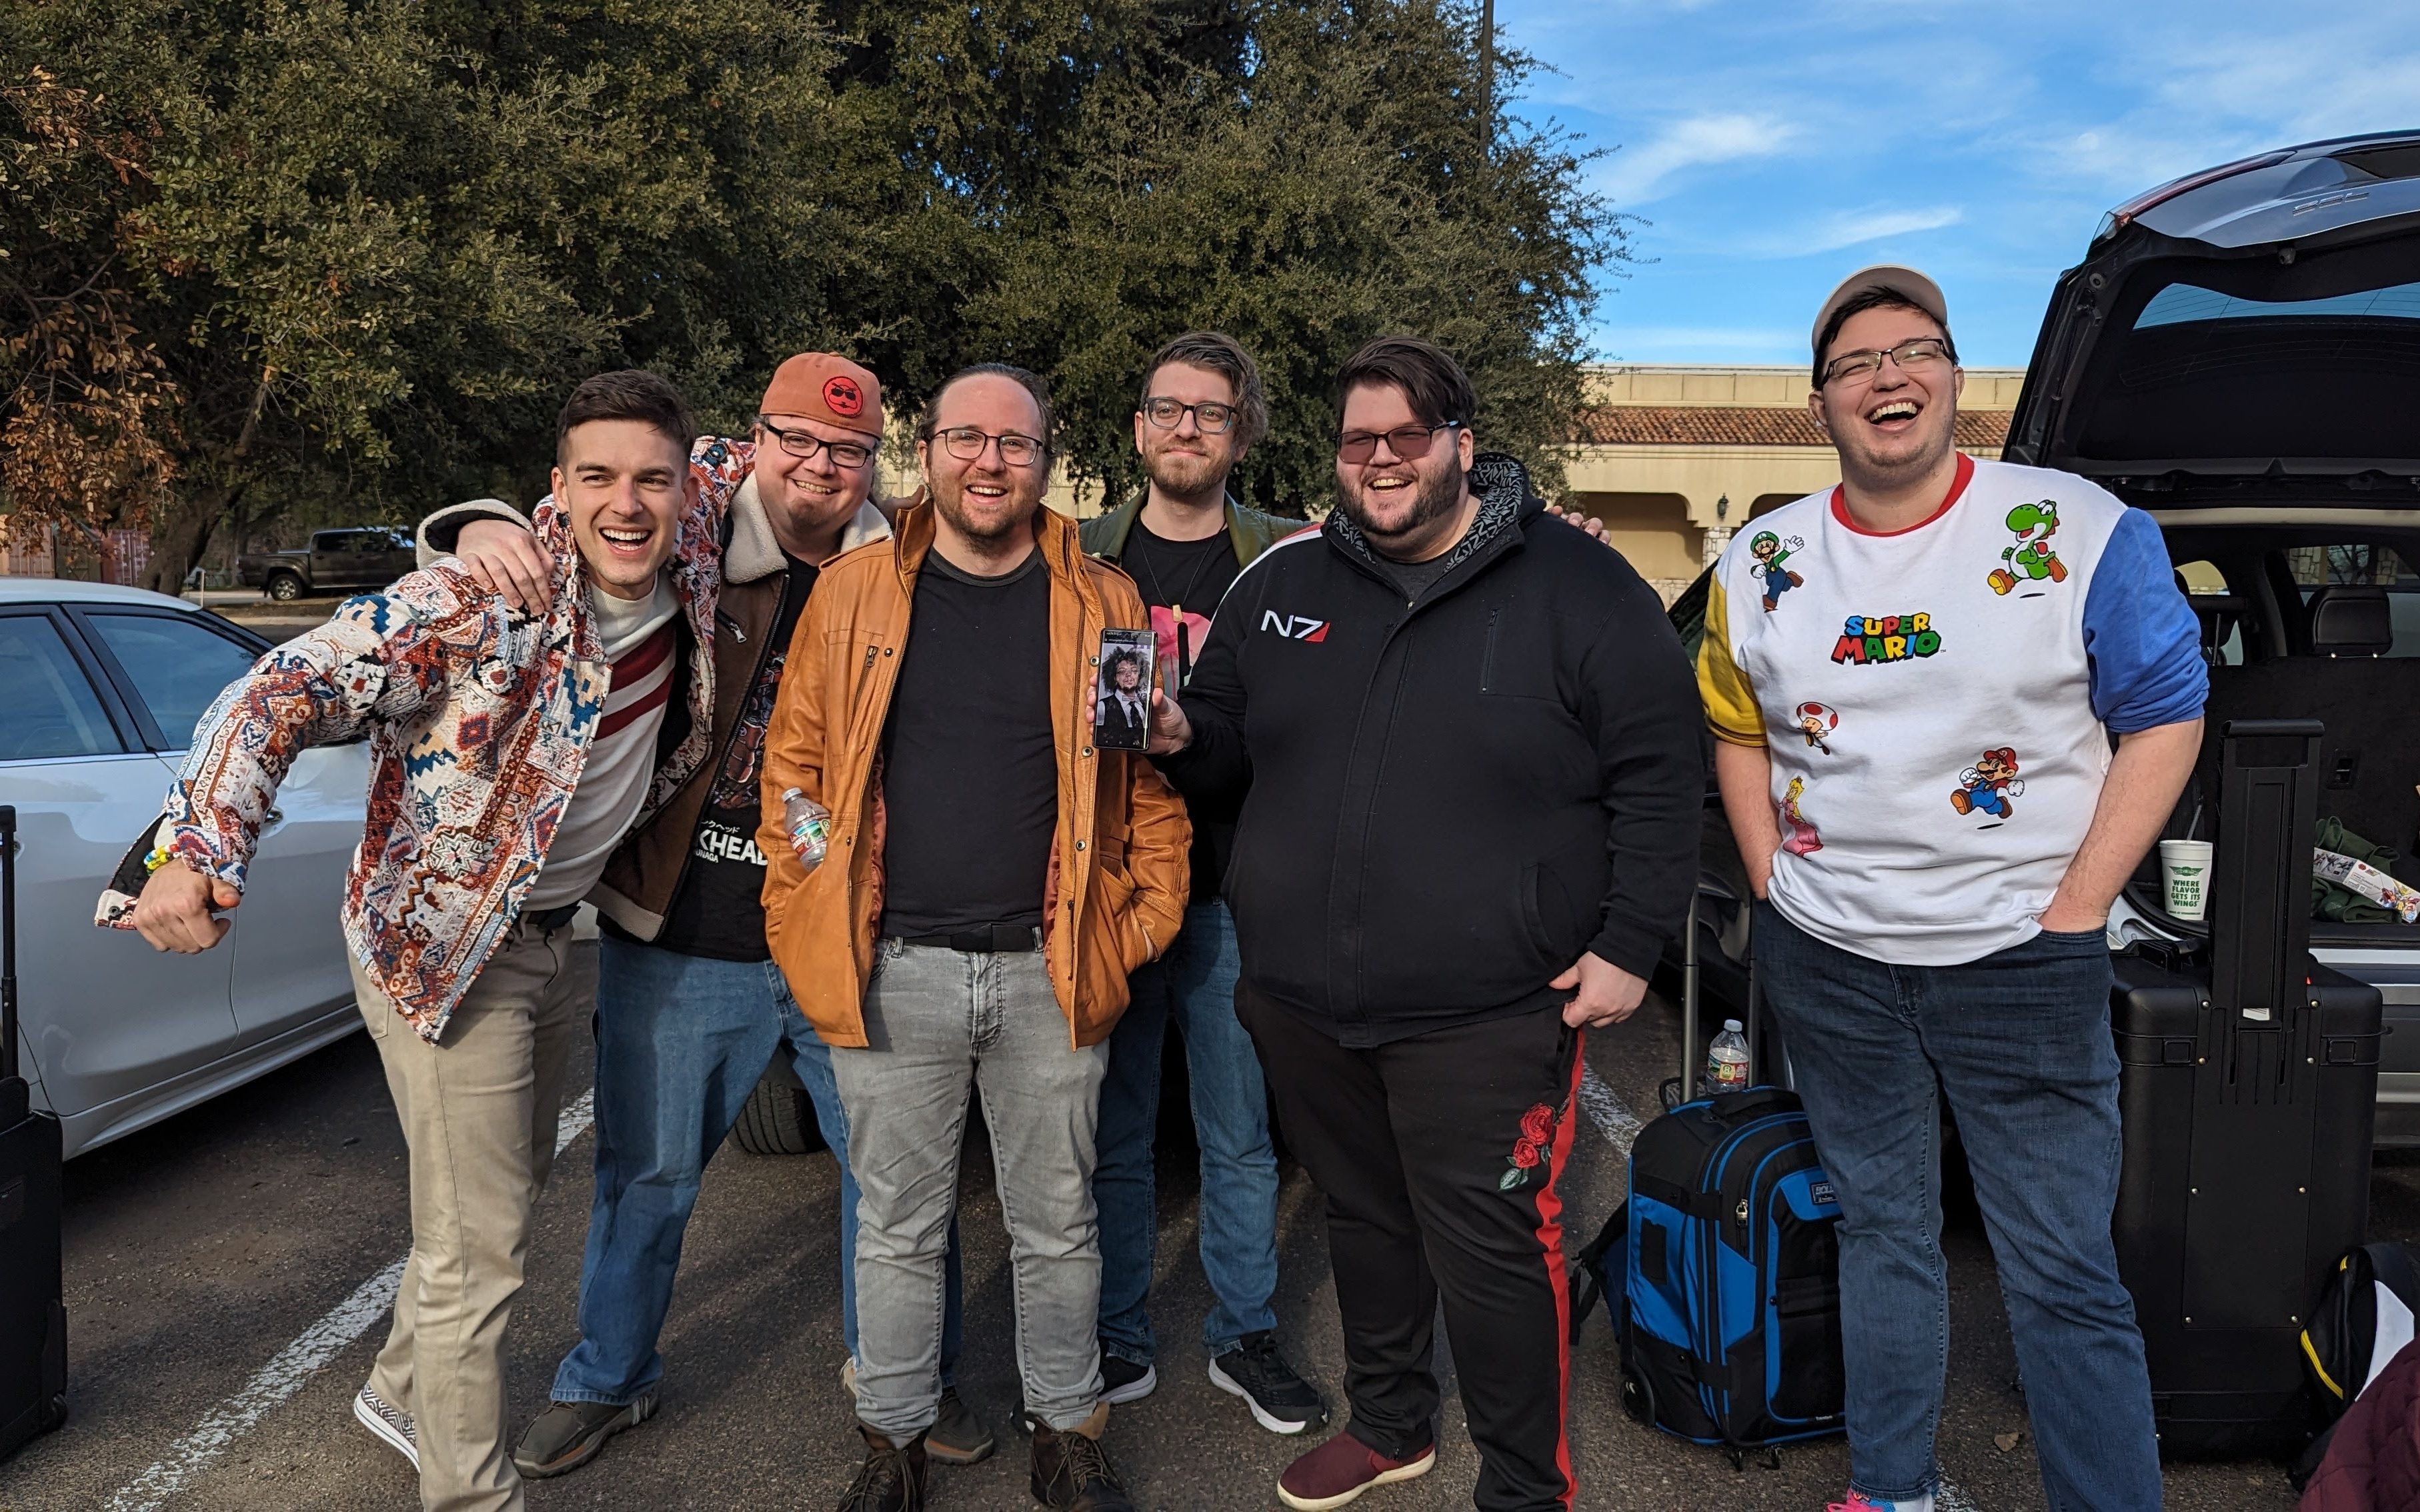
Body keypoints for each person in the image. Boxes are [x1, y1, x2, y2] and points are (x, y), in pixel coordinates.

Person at [97, 371, 744, 1512]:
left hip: (552, 940)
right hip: (442, 958)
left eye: (653, 477)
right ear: (559, 488)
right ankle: (469, 1495)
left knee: (492, 1199)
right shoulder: (472, 602)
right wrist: (197, 851)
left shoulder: (693, 539)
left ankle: (400, 1383)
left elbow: (783, 451)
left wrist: (468, 505)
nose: (627, 503)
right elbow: (278, 692)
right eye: (596, 479)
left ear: (688, 487)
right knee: (477, 1252)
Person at [1139, 336, 1703, 1511]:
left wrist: (1627, 948)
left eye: (1404, 436)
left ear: (1458, 441)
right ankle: (1392, 1423)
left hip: (1493, 1009)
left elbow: (1661, 776)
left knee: (1496, 1249)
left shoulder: (1581, 586)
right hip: (1300, 996)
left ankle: (1521, 1484)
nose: (1380, 460)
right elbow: (1228, 742)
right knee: (1362, 1217)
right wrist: (1184, 740)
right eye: (1358, 441)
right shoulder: (1285, 580)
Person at [420, 354, 988, 1479]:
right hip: (684, 933)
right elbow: (569, 511)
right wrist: (474, 526)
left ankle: (907, 1381)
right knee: (647, 1175)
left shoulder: (906, 563)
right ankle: (608, 1379)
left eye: (849, 450)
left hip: (848, 939)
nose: (820, 467)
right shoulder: (690, 519)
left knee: (896, 1185)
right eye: (798, 441)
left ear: (877, 460)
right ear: (756, 441)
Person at [1696, 265, 2205, 1512]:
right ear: (1820, 401)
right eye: (1858, 362)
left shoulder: (2077, 528)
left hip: (2023, 961)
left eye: (1913, 351)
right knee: (1882, 1236)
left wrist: (2078, 905)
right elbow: (1735, 721)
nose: (1889, 377)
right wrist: (1769, 877)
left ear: (1953, 379)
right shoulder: (1761, 560)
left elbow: (2168, 713)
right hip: (1833, 962)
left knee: (2058, 1270)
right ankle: (1893, 1488)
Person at [758, 363, 1192, 1512]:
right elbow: (794, 772)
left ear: (1047, 461)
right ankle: (890, 1445)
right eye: (964, 438)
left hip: (1049, 972)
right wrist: (808, 886)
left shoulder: (1103, 599)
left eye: (1014, 443)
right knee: (897, 1233)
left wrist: (1133, 928)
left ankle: (1065, 1430)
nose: (987, 462)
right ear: (928, 452)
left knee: (1059, 1226)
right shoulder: (853, 593)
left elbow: (1140, 787)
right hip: (890, 970)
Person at [1076, 330, 1325, 1436]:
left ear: (1240, 432)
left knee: (1238, 1133)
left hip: (1234, 886)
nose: (1185, 429)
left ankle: (1244, 1334)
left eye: (1210, 413)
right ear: (1138, 429)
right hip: (1111, 885)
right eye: (1167, 409)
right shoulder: (1071, 552)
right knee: (1116, 1129)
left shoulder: (1289, 557)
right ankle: (1119, 1332)